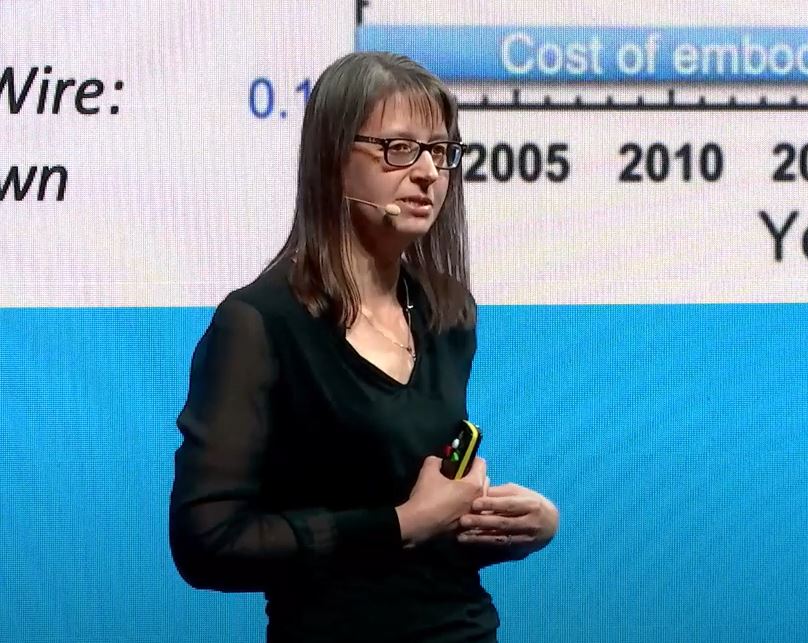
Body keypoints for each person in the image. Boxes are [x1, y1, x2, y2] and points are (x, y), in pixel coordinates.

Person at [169, 51, 558, 643]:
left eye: (441, 151)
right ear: (331, 161)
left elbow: (418, 513)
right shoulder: (256, 325)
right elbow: (209, 543)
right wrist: (404, 523)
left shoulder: (447, 311)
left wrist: (509, 525)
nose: (429, 173)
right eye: (399, 149)